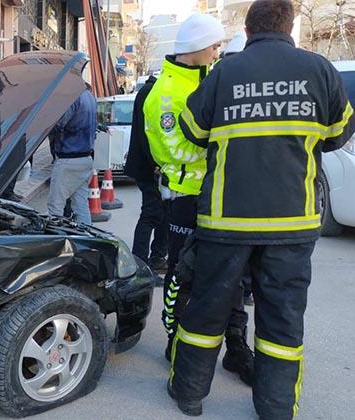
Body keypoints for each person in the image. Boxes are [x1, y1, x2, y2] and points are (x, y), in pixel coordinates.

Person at [167, 1, 355, 418]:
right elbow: (339, 134)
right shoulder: (320, 70)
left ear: (248, 31)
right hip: (292, 223)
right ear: (292, 27)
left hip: (225, 221)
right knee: (282, 319)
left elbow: (192, 130)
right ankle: (275, 408)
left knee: (207, 308)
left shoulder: (225, 72)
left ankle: (189, 395)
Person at [144, 14, 253, 384]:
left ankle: (237, 346)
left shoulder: (211, 77)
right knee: (181, 272)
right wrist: (221, 148)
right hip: (185, 198)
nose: (217, 51)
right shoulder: (165, 92)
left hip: (223, 194)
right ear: (196, 48)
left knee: (234, 272)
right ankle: (174, 339)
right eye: (213, 45)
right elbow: (172, 149)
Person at [125, 74, 169, 273]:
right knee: (151, 214)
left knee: (163, 214)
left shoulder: (150, 91)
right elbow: (147, 134)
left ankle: (157, 257)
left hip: (152, 166)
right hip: (149, 167)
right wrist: (155, 164)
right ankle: (140, 263)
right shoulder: (151, 93)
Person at [47, 84, 97, 225]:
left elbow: (58, 125)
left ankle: (56, 242)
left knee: (55, 207)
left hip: (68, 158)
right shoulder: (90, 97)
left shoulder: (72, 99)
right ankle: (87, 239)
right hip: (85, 158)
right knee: (81, 206)